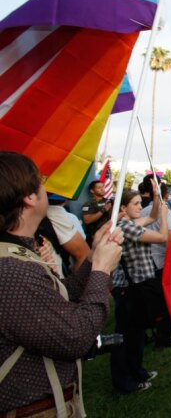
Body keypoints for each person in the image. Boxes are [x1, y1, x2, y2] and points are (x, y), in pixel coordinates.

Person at [0, 151, 123, 417]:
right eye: (41, 182)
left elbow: (62, 295)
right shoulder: (10, 271)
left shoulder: (15, 256)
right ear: (29, 198)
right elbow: (75, 336)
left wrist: (95, 255)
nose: (46, 187)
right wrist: (101, 269)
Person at [109, 187, 168, 393]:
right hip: (130, 289)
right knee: (127, 336)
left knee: (137, 333)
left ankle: (137, 371)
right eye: (135, 204)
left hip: (137, 287)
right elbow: (162, 237)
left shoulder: (128, 224)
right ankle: (125, 381)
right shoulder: (125, 227)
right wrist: (163, 215)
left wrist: (156, 196)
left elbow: (150, 217)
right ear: (123, 208)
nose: (140, 207)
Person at [140, 182, 171, 349]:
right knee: (164, 303)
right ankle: (163, 340)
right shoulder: (166, 214)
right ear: (166, 195)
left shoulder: (144, 211)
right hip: (161, 263)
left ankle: (153, 334)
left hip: (146, 263)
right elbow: (169, 242)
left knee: (152, 302)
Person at [81, 180, 112, 245]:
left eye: (103, 187)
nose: (102, 189)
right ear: (92, 191)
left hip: (109, 235)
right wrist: (103, 210)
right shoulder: (89, 204)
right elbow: (87, 220)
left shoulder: (109, 202)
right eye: (99, 188)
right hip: (94, 237)